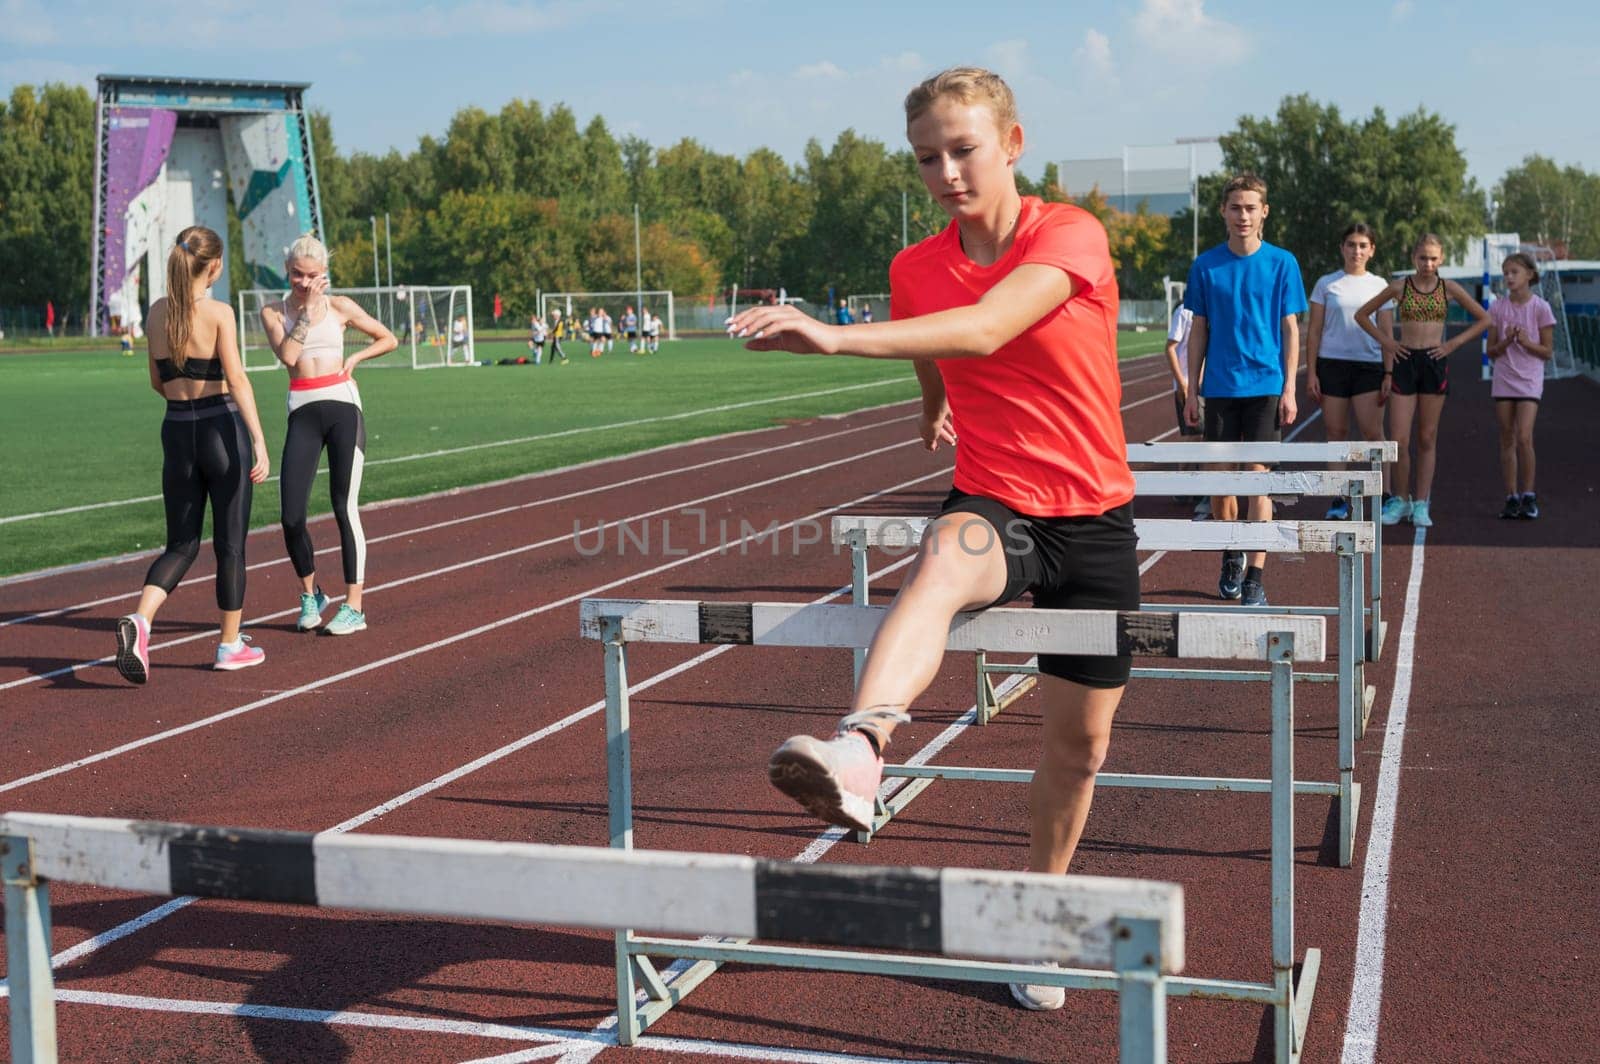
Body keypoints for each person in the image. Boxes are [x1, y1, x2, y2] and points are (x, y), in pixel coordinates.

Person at [728, 66, 1136, 1013]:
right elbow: (937, 344)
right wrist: (931, 409)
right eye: (926, 159)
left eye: (963, 150)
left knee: (1080, 749)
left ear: (1013, 143)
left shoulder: (1070, 234)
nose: (946, 172)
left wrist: (832, 338)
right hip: (998, 499)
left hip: (1096, 517)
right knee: (938, 566)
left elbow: (989, 327)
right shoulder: (914, 268)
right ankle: (861, 752)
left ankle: (1042, 918)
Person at [114, 226, 271, 683]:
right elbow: (238, 381)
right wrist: (259, 440)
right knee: (230, 545)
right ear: (215, 266)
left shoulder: (156, 313)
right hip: (221, 428)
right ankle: (229, 644)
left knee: (181, 544)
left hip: (177, 431)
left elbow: (156, 383)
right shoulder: (220, 313)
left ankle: (141, 620)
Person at [260, 235, 397, 636]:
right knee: (291, 516)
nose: (304, 282)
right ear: (287, 271)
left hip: (343, 407)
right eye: (297, 274)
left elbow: (388, 338)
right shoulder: (273, 311)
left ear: (325, 275)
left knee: (344, 505)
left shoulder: (339, 307)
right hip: (302, 412)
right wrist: (303, 312)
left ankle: (354, 605)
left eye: (313, 275)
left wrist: (356, 356)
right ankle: (311, 595)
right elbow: (287, 355)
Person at [1183, 173, 1307, 606]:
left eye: (1251, 207)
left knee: (1258, 481)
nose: (1243, 215)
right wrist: (1190, 388)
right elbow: (1198, 329)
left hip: (1265, 385)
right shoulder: (1205, 266)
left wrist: (1291, 387)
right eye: (1235, 207)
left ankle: (1255, 573)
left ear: (1264, 212)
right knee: (1219, 484)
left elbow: (1290, 328)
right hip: (1219, 386)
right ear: (1223, 211)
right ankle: (1231, 551)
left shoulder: (1282, 263)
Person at [1355, 234, 1490, 528]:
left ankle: (1421, 503)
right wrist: (1387, 343)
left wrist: (1452, 345)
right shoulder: (1400, 287)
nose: (1427, 264)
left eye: (1433, 258)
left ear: (1441, 260)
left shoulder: (1449, 288)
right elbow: (1363, 315)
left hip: (1434, 362)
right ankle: (1401, 500)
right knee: (1399, 439)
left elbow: (1485, 319)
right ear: (1413, 258)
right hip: (1405, 360)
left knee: (1427, 438)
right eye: (1422, 258)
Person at [1305, 223, 1396, 519]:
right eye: (1351, 244)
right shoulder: (1326, 284)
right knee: (1336, 433)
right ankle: (1338, 498)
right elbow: (1315, 331)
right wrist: (1312, 373)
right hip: (1332, 365)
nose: (1356, 250)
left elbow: (1386, 331)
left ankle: (1384, 495)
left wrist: (1388, 373)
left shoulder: (1380, 285)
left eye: (1362, 245)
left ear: (1371, 250)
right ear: (1342, 248)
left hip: (1369, 367)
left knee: (1373, 432)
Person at [1486, 252, 1556, 519]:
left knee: (1524, 436)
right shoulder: (1497, 308)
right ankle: (1511, 496)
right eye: (1505, 273)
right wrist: (1506, 341)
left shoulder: (1541, 307)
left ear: (1529, 274)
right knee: (1506, 436)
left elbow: (1547, 352)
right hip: (1504, 377)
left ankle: (1529, 494)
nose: (1509, 277)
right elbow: (1491, 351)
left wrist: (1526, 342)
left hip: (1529, 379)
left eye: (1514, 272)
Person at [1162, 295, 1209, 519]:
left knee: (1204, 435)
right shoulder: (1184, 311)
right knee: (1194, 435)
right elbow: (1170, 348)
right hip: (1188, 384)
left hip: (1208, 383)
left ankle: (1195, 483)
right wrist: (1182, 382)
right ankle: (1183, 483)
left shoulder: (1212, 310)